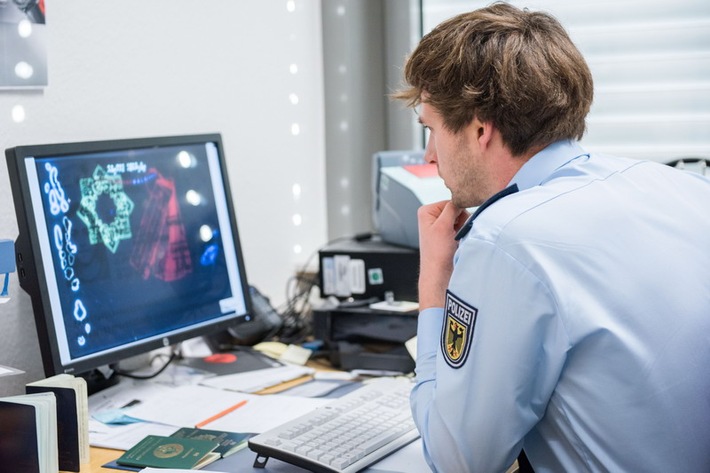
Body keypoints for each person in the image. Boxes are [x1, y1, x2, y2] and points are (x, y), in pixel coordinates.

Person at [392, 2, 710, 472]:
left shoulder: (508, 238)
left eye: (432, 129)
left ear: (480, 127)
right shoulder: (680, 186)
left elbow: (458, 461)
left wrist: (435, 281)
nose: (430, 155)